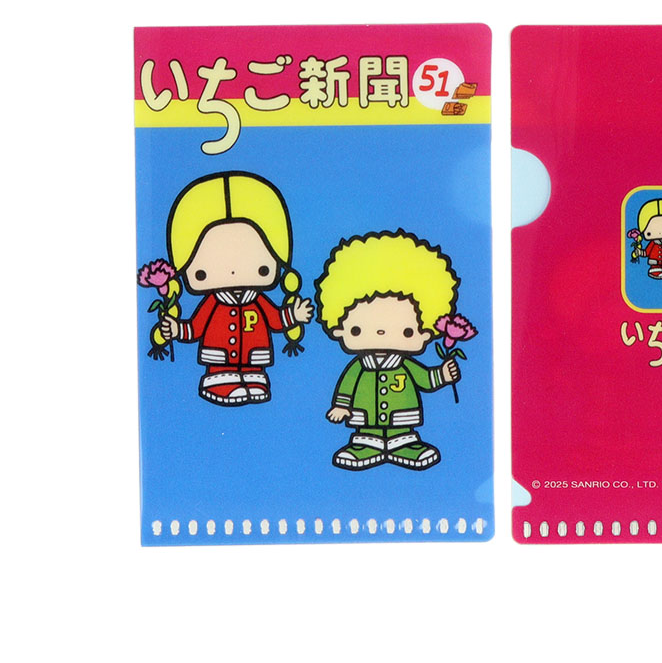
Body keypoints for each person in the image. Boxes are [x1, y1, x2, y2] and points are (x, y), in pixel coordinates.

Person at [156, 171, 313, 405]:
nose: (232, 271)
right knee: (221, 374)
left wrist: (294, 315)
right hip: (218, 359)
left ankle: (253, 380)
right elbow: (196, 327)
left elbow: (275, 319)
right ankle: (220, 383)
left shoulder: (257, 300)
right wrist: (177, 329)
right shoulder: (213, 303)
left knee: (255, 377)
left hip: (254, 358)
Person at [315, 230, 462, 471]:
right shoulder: (359, 367)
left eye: (406, 331)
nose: (382, 334)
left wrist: (443, 375)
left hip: (402, 418)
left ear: (425, 332)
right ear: (339, 327)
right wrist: (342, 405)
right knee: (365, 437)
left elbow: (425, 378)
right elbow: (347, 386)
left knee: (403, 436)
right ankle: (365, 446)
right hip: (365, 419)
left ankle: (405, 445)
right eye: (359, 329)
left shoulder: (405, 364)